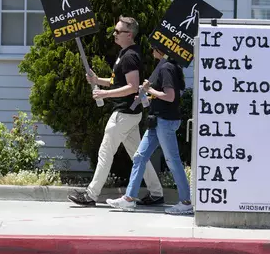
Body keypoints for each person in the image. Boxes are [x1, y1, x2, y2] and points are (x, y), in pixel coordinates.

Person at [68, 16, 164, 206]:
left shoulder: (129, 57)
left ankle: (91, 195)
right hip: (129, 114)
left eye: (118, 31)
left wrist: (105, 94)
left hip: (123, 114)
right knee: (138, 155)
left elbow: (132, 86)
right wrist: (98, 81)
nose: (114, 34)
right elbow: (117, 81)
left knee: (105, 152)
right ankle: (156, 192)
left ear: (129, 35)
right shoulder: (125, 53)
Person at [106, 46, 193, 215]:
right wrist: (145, 96)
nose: (151, 50)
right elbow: (155, 100)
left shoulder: (167, 67)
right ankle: (129, 199)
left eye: (153, 47)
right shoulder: (165, 66)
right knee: (139, 156)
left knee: (172, 160)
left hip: (165, 121)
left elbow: (170, 96)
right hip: (156, 120)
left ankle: (186, 202)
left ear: (160, 50)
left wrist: (150, 89)